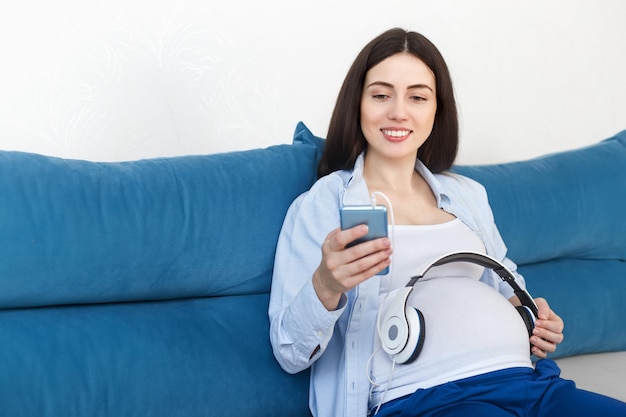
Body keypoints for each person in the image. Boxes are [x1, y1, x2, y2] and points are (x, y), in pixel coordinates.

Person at [268, 27, 626, 417]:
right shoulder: (326, 201)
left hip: (531, 383)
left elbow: (508, 287)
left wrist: (533, 320)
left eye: (418, 97)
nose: (398, 111)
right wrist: (326, 283)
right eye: (381, 95)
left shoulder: (467, 195)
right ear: (358, 105)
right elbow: (289, 350)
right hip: (427, 399)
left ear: (437, 110)